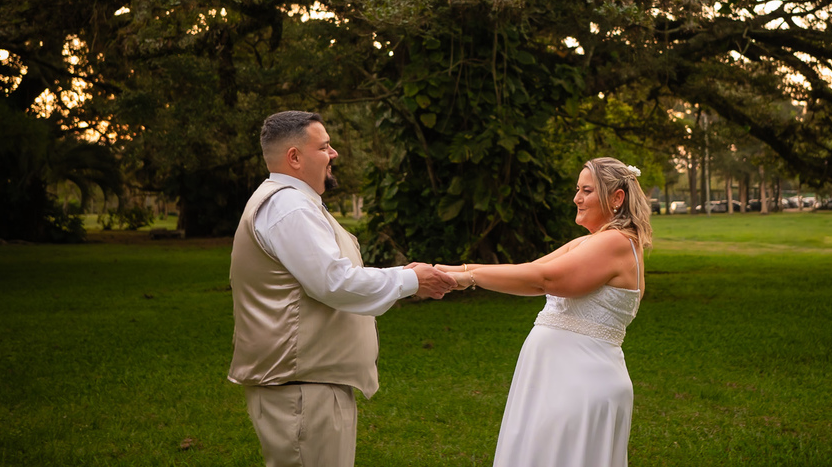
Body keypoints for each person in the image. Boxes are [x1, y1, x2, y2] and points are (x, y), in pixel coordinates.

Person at [228, 111, 456, 467]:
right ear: (294, 157)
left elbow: (330, 276)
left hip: (308, 385)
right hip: (302, 391)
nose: (333, 154)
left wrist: (403, 276)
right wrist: (412, 280)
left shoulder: (290, 202)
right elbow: (333, 282)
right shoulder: (289, 206)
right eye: (324, 147)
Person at [438, 157, 652, 467]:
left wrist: (469, 278)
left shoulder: (615, 242)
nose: (576, 198)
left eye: (587, 191)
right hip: (558, 380)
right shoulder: (592, 242)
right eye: (578, 189)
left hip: (579, 384)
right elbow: (530, 269)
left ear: (617, 198)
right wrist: (448, 271)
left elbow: (545, 280)